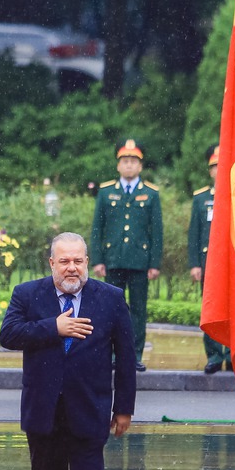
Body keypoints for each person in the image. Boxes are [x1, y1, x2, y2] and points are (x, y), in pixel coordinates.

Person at [0, 232, 136, 470]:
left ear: (87, 261)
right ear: (52, 264)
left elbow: (125, 358)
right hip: (43, 413)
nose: (71, 268)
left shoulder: (110, 298)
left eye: (78, 260)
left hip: (90, 410)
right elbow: (8, 335)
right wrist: (53, 327)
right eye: (64, 261)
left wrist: (124, 408)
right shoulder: (28, 294)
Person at [90, 139, 162, 372]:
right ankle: (111, 354)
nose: (129, 165)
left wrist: (154, 263)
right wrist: (98, 259)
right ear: (118, 165)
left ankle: (135, 354)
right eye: (125, 161)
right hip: (113, 260)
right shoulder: (106, 192)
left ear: (140, 166)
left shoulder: (150, 194)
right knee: (111, 309)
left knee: (139, 309)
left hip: (140, 262)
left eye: (133, 162)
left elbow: (157, 231)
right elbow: (97, 229)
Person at [189, 145, 231, 374]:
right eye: (215, 166)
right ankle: (214, 355)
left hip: (234, 264)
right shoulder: (201, 198)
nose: (219, 169)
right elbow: (194, 233)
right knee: (212, 310)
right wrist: (195, 264)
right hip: (209, 264)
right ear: (210, 171)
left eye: (222, 165)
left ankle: (234, 355)